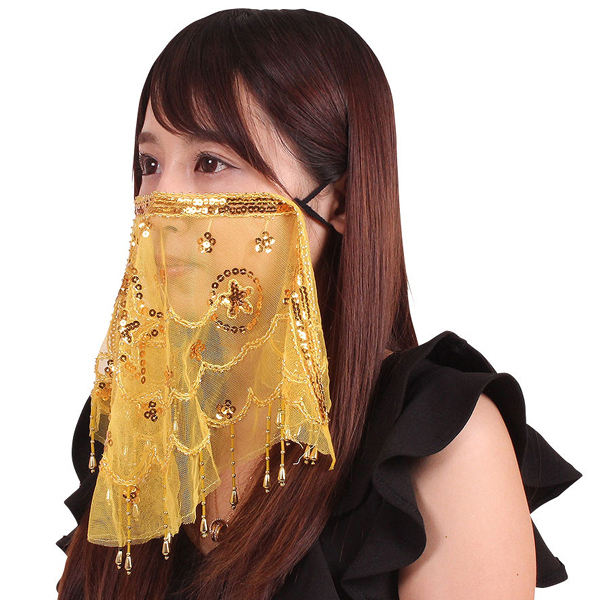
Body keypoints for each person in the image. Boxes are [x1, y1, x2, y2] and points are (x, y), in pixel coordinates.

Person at [56, 8, 580, 600]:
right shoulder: (140, 423)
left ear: (342, 202)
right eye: (150, 165)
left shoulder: (445, 446)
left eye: (211, 163)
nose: (162, 205)